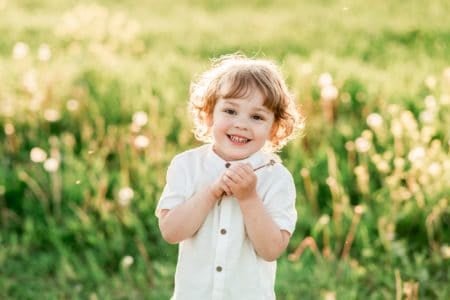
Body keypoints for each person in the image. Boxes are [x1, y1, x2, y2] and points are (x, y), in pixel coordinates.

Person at [156, 53, 304, 300]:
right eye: (230, 111)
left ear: (274, 128)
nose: (241, 124)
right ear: (209, 114)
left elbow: (271, 249)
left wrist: (248, 198)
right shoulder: (187, 165)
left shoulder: (276, 178)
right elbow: (171, 232)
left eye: (257, 117)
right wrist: (212, 192)